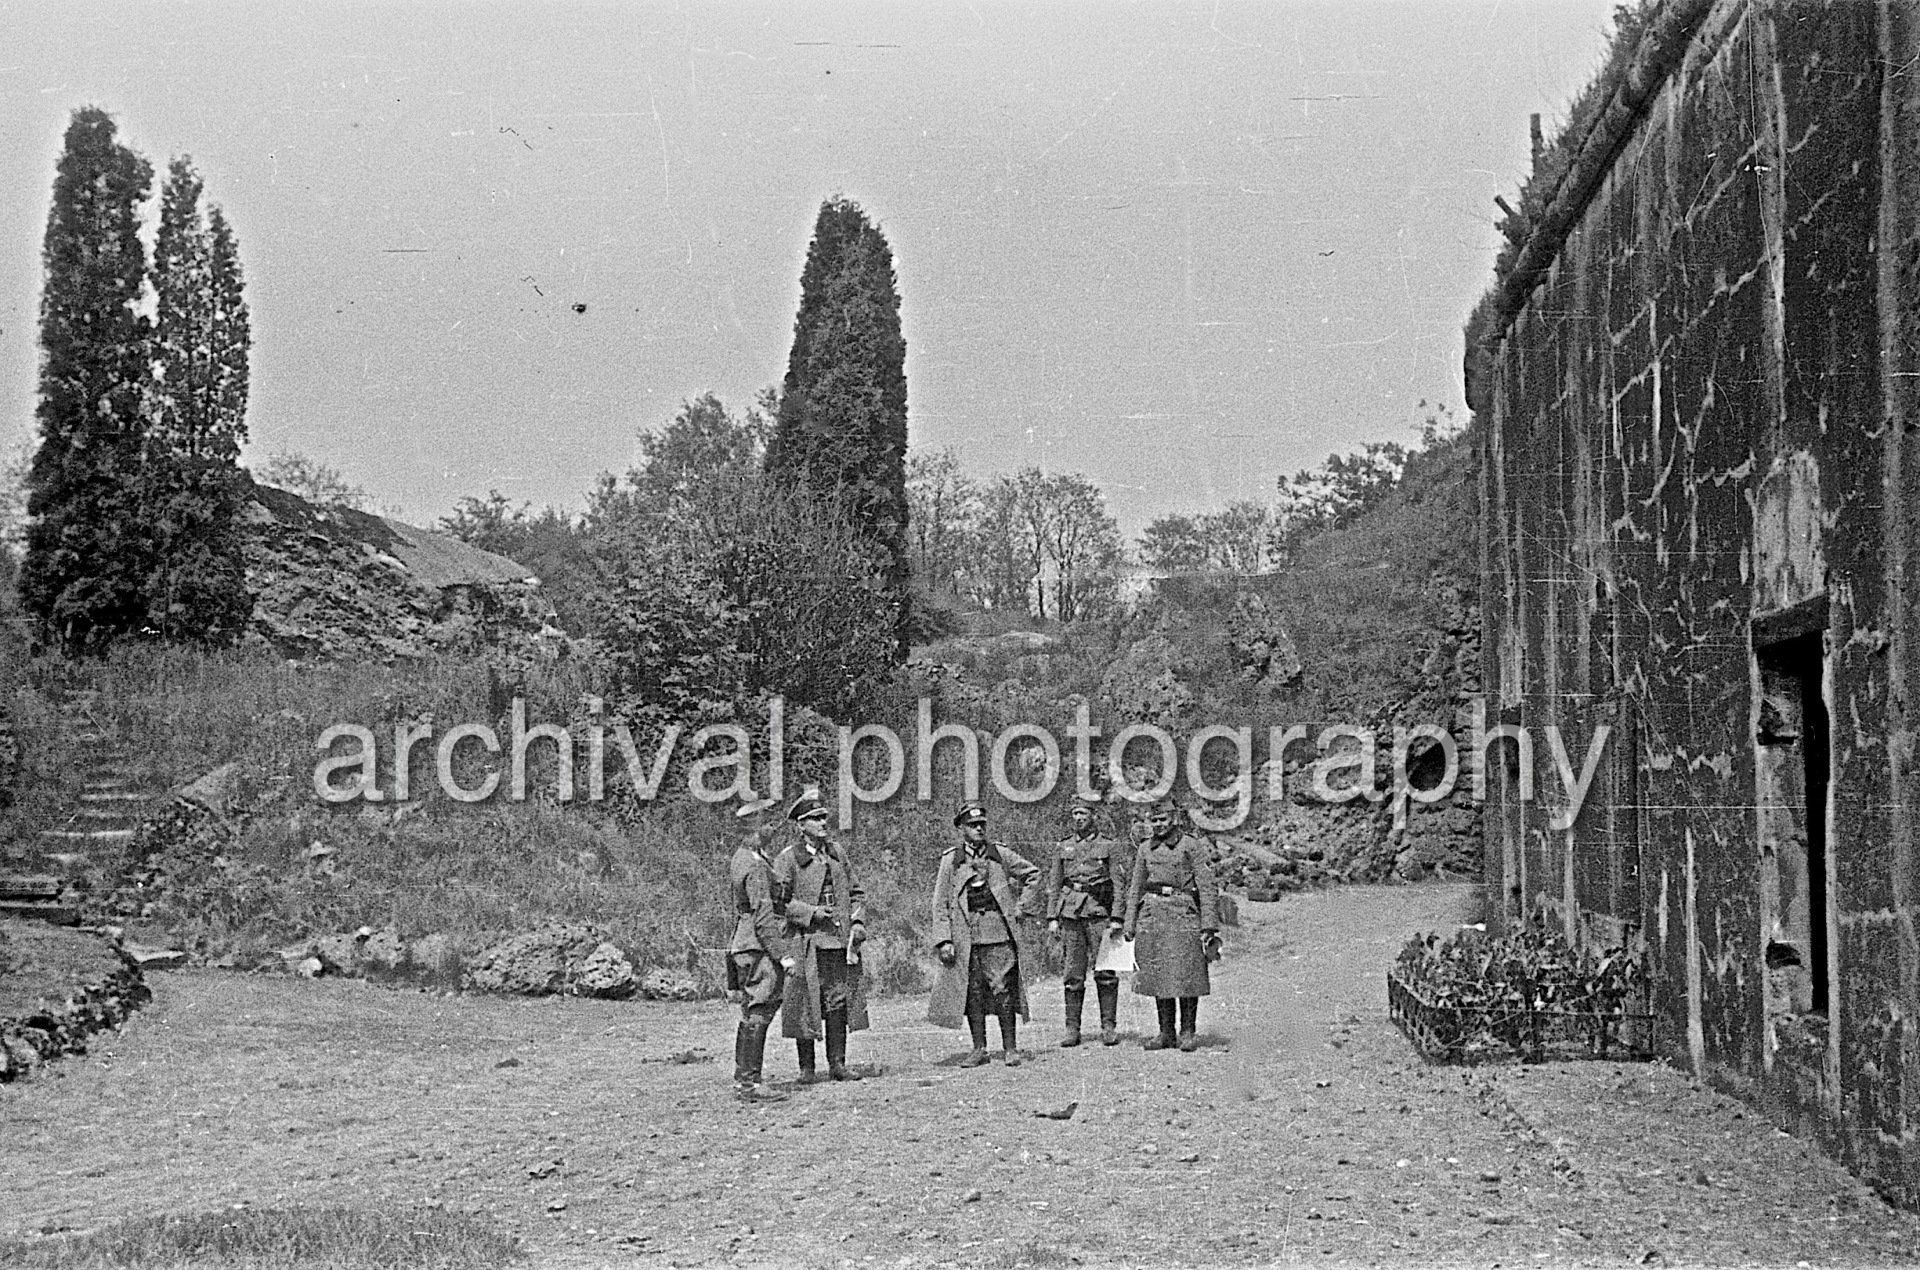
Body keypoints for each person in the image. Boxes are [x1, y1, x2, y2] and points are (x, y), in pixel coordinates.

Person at [928, 802, 1043, 1066]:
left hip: (997, 932)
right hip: (964, 936)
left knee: (1002, 989)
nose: (979, 829)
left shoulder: (999, 854)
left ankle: (1010, 1048)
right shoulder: (951, 860)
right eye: (972, 825)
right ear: (961, 829)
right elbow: (940, 903)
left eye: (982, 825)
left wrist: (1021, 908)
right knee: (973, 992)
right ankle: (979, 1048)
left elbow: (1033, 875)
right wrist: (944, 940)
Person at [772, 791, 869, 1082]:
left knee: (838, 1000)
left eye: (824, 816)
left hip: (838, 943)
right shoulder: (788, 859)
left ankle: (838, 1065)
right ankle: (807, 1069)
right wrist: (811, 912)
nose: (823, 822)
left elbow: (857, 893)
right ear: (801, 825)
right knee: (804, 1001)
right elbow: (779, 902)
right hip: (806, 943)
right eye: (815, 818)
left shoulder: (837, 853)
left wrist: (858, 922)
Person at [1117, 796, 1221, 1052]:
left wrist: (1208, 924)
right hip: (1153, 915)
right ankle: (1166, 1032)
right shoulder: (1144, 848)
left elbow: (1207, 887)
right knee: (1157, 973)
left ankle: (1188, 1031)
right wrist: (1129, 921)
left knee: (1186, 973)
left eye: (1163, 819)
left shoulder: (1191, 846)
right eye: (1154, 820)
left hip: (1182, 913)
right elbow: (1135, 887)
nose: (1159, 825)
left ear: (1174, 819)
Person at [726, 796, 797, 1102]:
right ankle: (749, 1083)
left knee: (753, 1009)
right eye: (767, 822)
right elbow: (764, 916)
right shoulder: (754, 865)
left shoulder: (746, 857)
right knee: (760, 1009)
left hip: (745, 943)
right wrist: (783, 955)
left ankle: (746, 1080)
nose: (772, 827)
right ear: (754, 827)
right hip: (757, 945)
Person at [1045, 797, 1130, 1046]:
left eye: (1083, 814)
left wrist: (1117, 917)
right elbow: (1055, 883)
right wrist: (1052, 917)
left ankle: (1108, 1027)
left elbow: (1119, 884)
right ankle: (1072, 1029)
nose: (1079, 818)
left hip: (1098, 913)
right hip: (1071, 914)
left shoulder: (1108, 845)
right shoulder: (1063, 846)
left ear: (1093, 816)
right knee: (1073, 973)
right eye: (1075, 814)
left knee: (1105, 970)